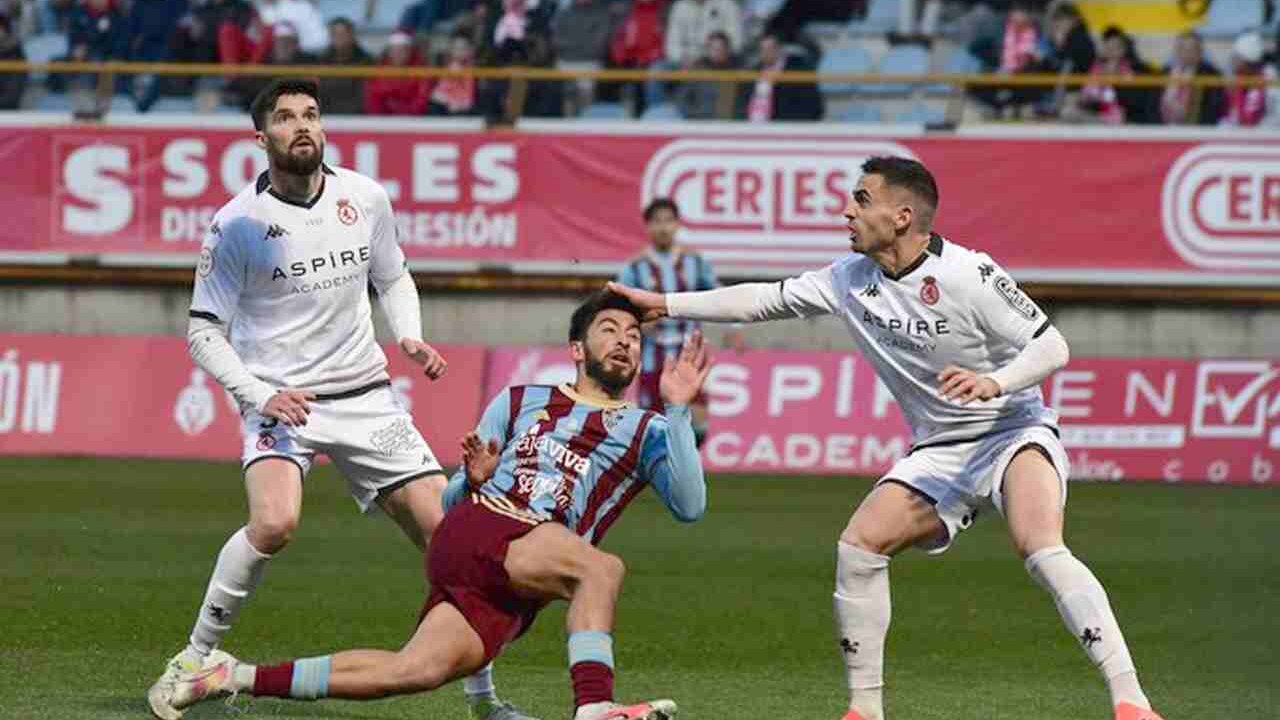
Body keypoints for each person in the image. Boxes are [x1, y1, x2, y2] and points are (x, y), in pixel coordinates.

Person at [608, 156, 1165, 720]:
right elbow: (766, 298)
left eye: (861, 199)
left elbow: (1052, 348)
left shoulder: (969, 273)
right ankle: (865, 710)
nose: (846, 210)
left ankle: (1131, 702)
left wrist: (993, 382)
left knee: (1040, 546)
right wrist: (667, 305)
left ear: (901, 216)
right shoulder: (848, 279)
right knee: (858, 546)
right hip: (938, 450)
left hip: (1011, 430)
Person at [146, 77, 537, 720]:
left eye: (311, 114)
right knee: (274, 522)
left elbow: (394, 275)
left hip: (367, 397)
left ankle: (485, 701)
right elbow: (202, 330)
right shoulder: (235, 225)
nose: (301, 125)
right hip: (282, 401)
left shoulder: (364, 196)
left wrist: (408, 334)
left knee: (453, 540)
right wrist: (258, 394)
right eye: (285, 117)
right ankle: (195, 657)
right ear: (261, 136)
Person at [157, 290, 711, 720]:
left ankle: (232, 676)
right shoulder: (522, 399)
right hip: (487, 526)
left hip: (519, 580)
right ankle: (593, 707)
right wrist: (471, 480)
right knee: (601, 568)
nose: (623, 341)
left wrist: (679, 410)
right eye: (608, 329)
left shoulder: (648, 430)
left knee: (411, 671)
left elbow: (689, 506)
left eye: (633, 335)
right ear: (577, 349)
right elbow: (449, 499)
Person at [615, 198, 742, 445]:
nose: (663, 227)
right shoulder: (635, 266)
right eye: (657, 222)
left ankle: (685, 469)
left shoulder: (694, 262)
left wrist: (733, 326)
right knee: (651, 424)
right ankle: (662, 472)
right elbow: (618, 304)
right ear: (648, 227)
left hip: (689, 354)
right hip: (653, 356)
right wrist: (636, 321)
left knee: (699, 422)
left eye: (668, 221)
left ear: (677, 225)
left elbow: (718, 294)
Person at [1159, 31, 1225, 126]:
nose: (1185, 53)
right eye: (1181, 48)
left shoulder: (1212, 75)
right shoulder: (1164, 73)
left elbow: (1213, 108)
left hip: (1196, 130)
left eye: (1190, 49)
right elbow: (1153, 105)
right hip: (1162, 131)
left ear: (1200, 51)